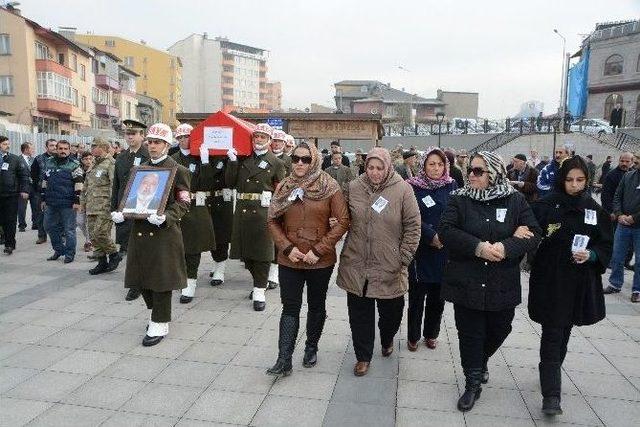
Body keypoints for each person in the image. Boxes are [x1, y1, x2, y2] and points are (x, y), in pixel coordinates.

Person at [438, 151, 541, 412]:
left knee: (500, 327)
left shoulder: (515, 200)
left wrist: (507, 247)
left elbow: (534, 233)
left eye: (478, 171)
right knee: (470, 333)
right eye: (470, 170)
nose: (471, 175)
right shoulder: (458, 199)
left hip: (501, 281)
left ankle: (480, 360)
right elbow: (447, 231)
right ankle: (472, 383)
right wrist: (478, 247)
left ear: (494, 173)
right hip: (467, 279)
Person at [528, 156, 612, 416]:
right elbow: (528, 233)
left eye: (580, 180)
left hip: (579, 283)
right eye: (569, 180)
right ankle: (551, 395)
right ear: (561, 180)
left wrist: (593, 255)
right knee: (552, 333)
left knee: (564, 332)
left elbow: (605, 243)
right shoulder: (544, 206)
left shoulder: (594, 211)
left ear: (587, 181)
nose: (575, 185)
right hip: (551, 282)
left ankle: (550, 373)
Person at [265, 142, 349, 376]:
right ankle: (284, 358)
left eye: (305, 159)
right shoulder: (285, 186)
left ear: (314, 161)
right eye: (296, 159)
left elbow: (342, 221)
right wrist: (286, 247)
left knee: (316, 305)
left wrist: (318, 250)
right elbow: (272, 219)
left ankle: (311, 346)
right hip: (290, 258)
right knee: (289, 307)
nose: (300, 163)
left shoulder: (329, 186)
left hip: (319, 260)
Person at [337, 147, 421, 377]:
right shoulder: (354, 187)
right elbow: (342, 217)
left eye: (379, 168)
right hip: (357, 262)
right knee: (359, 315)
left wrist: (403, 257)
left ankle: (387, 338)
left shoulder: (403, 189)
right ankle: (363, 356)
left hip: (390, 264)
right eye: (370, 167)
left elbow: (413, 226)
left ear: (387, 167)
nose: (374, 172)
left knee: (391, 313)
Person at [111, 123, 191, 346]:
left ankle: (159, 322)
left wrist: (167, 217)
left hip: (163, 233)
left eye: (158, 142)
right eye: (151, 142)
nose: (153, 146)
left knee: (161, 281)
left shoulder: (179, 169)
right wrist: (122, 212)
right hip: (140, 231)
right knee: (141, 278)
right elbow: (132, 197)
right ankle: (156, 314)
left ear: (167, 145)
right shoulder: (141, 168)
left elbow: (184, 202)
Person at [226, 123, 287, 311]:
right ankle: (258, 283)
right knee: (246, 255)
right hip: (243, 210)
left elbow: (281, 190)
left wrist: (279, 215)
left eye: (262, 137)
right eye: (256, 137)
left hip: (263, 211)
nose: (258, 140)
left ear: (269, 141)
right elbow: (230, 182)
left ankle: (259, 290)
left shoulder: (276, 163)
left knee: (262, 254)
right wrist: (232, 161)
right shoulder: (243, 158)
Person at [406, 148, 457, 351]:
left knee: (438, 298)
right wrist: (430, 236)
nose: (436, 168)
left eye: (440, 164)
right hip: (421, 250)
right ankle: (413, 336)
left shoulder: (451, 185)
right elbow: (411, 217)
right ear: (423, 166)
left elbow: (457, 213)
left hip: (444, 250)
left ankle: (431, 333)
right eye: (431, 164)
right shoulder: (412, 187)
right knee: (417, 298)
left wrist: (443, 236)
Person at [171, 123, 216, 304]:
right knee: (177, 246)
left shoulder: (201, 157)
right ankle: (180, 277)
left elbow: (208, 183)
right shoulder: (172, 158)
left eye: (186, 137)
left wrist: (205, 162)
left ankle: (190, 283)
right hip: (177, 206)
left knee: (193, 248)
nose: (183, 140)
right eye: (180, 138)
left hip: (197, 206)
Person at [111, 119, 149, 292]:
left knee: (141, 247)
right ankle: (136, 280)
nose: (130, 137)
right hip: (124, 207)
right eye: (128, 134)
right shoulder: (121, 157)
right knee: (127, 245)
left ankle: (139, 282)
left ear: (142, 135)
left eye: (134, 134)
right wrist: (114, 208)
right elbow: (116, 185)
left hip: (142, 207)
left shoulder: (148, 155)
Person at [81, 137, 121, 275]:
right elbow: (86, 186)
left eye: (94, 146)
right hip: (91, 206)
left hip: (105, 206)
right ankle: (101, 262)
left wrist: (113, 206)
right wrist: (82, 203)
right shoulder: (94, 164)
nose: (91, 149)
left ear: (103, 147)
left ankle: (114, 254)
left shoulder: (111, 164)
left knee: (100, 233)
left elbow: (113, 186)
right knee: (93, 235)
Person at [41, 140, 84, 263]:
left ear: (69, 150)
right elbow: (45, 181)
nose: (63, 151)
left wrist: (77, 201)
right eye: (60, 148)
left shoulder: (74, 164)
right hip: (51, 203)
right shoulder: (49, 162)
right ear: (57, 150)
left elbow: (79, 184)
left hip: (68, 203)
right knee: (48, 226)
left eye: (65, 149)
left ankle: (69, 254)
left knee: (69, 230)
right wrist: (43, 199)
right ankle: (59, 249)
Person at [605, 156, 640, 303]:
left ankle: (637, 289)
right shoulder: (628, 176)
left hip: (638, 226)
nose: (635, 162)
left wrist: (634, 217)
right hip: (622, 224)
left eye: (637, 160)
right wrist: (619, 215)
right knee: (617, 256)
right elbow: (617, 196)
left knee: (639, 260)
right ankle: (615, 283)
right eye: (636, 159)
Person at [0, 136, 30, 255]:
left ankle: (9, 244)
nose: (7, 146)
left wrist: (24, 190)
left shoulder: (14, 159)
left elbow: (23, 176)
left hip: (10, 194)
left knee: (10, 220)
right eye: (4, 144)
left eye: (8, 144)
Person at [208, 154, 234, 287]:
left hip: (223, 199)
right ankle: (216, 262)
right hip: (205, 199)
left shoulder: (228, 156)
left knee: (221, 236)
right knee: (208, 235)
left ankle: (220, 268)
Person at [31, 138, 57, 244]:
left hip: (57, 191)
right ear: (46, 147)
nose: (54, 147)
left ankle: (60, 234)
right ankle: (42, 235)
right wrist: (38, 186)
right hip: (41, 191)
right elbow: (33, 174)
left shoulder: (60, 158)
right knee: (40, 214)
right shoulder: (39, 159)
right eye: (51, 145)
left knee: (58, 214)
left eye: (55, 145)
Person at [17, 142, 37, 232]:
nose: (33, 150)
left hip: (33, 187)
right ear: (25, 149)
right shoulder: (18, 160)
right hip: (23, 187)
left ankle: (35, 223)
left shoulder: (34, 160)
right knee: (22, 207)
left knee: (35, 206)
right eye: (31, 148)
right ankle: (22, 225)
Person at [77, 151, 93, 252]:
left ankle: (88, 241)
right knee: (80, 221)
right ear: (82, 160)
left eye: (90, 158)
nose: (88, 161)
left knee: (90, 222)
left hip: (92, 199)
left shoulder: (96, 169)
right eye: (86, 159)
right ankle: (88, 238)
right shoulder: (78, 170)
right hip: (80, 199)